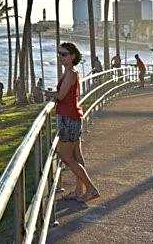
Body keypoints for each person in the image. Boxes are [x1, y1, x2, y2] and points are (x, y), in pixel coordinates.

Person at [54, 42, 99, 202]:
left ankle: (91, 189)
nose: (61, 57)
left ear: (72, 56)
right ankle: (79, 190)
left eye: (64, 54)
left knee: (65, 156)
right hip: (72, 117)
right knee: (76, 156)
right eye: (59, 54)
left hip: (68, 118)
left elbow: (60, 96)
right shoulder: (69, 72)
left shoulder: (71, 73)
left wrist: (48, 95)